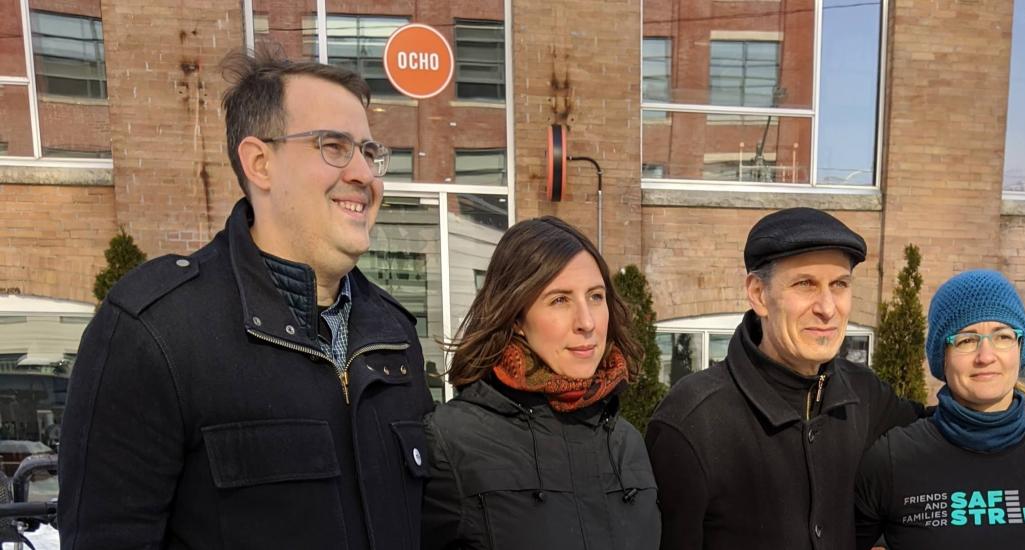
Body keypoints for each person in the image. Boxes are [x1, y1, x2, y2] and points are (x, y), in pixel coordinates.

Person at [58, 50, 434, 549]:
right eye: (335, 146)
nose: (365, 174)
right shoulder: (159, 332)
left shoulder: (394, 336)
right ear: (259, 162)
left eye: (369, 152)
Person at [646, 207, 1025, 550]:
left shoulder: (860, 394)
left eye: (839, 285)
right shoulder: (693, 423)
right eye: (804, 285)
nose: (827, 306)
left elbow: (970, 408)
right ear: (758, 292)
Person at [422, 217, 660, 550]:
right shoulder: (451, 442)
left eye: (595, 296)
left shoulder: (627, 443)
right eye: (560, 300)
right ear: (516, 317)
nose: (587, 322)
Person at [855, 270, 1025, 549]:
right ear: (941, 358)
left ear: (1020, 348)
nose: (986, 356)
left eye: (1002, 336)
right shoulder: (893, 458)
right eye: (966, 340)